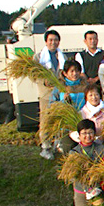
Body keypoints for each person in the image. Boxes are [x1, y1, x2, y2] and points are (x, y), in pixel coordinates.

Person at [41, 60, 88, 159]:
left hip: (83, 120)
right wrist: (63, 102)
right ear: (65, 73)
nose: (75, 74)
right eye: (72, 71)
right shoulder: (60, 88)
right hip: (67, 123)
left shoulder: (85, 85)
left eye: (77, 71)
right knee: (68, 149)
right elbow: (52, 105)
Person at [69, 119, 104, 206]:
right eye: (84, 133)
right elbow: (73, 175)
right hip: (81, 191)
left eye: (90, 132)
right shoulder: (74, 152)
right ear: (79, 135)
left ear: (94, 133)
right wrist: (86, 188)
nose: (87, 136)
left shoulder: (101, 149)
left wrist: (96, 187)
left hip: (98, 190)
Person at [35, 30, 66, 158]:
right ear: (46, 41)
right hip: (46, 94)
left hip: (60, 93)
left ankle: (59, 143)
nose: (53, 42)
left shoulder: (62, 56)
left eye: (56, 40)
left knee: (60, 119)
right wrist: (43, 81)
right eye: (51, 40)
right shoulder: (38, 57)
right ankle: (46, 147)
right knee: (46, 120)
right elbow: (33, 75)